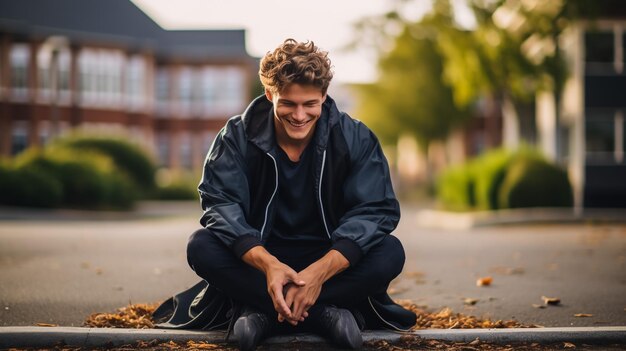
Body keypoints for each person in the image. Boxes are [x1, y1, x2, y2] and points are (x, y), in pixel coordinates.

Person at [184, 39, 416, 351]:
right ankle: (322, 314)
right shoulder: (235, 136)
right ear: (270, 94)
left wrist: (319, 274)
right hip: (259, 260)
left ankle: (264, 313)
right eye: (288, 104)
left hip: (329, 260)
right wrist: (268, 265)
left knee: (390, 251)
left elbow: (375, 209)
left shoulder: (355, 136)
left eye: (310, 104)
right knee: (201, 246)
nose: (299, 115)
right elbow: (220, 204)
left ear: (324, 95)